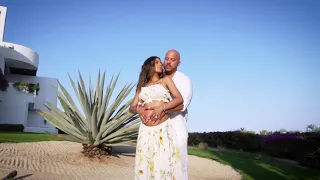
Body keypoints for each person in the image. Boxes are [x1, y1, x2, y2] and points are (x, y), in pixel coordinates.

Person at [129, 56, 184, 180]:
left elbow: (179, 99)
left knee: (163, 163)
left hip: (163, 129)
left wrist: (162, 107)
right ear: (149, 66)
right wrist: (138, 109)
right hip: (145, 131)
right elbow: (131, 108)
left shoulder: (166, 80)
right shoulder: (141, 85)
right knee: (146, 163)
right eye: (157, 62)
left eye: (160, 62)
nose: (160, 64)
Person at [144, 49, 193, 180]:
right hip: (157, 129)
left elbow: (182, 105)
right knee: (158, 166)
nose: (168, 62)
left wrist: (162, 108)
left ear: (179, 63)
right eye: (166, 59)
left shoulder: (184, 80)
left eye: (173, 60)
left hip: (176, 128)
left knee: (178, 168)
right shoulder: (157, 78)